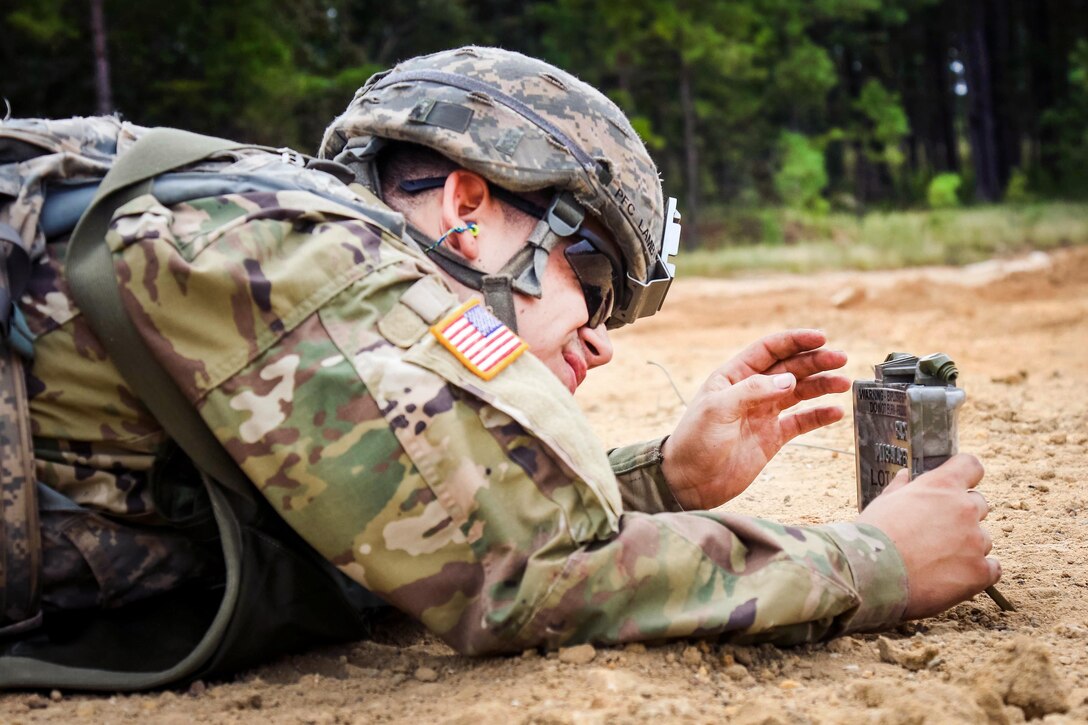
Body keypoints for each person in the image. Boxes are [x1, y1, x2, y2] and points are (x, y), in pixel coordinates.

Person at [0, 46, 999, 686]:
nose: (600, 335)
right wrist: (870, 559)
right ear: (468, 211)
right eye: (592, 276)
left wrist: (663, 479)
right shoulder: (321, 264)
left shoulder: (289, 246)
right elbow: (515, 577)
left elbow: (406, 507)